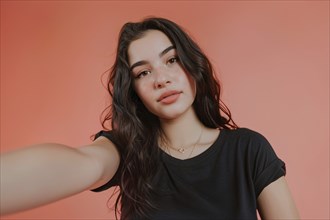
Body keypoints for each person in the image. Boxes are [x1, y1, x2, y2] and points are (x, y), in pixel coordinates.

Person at [0, 17, 299, 220]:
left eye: (171, 60)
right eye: (144, 72)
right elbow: (83, 164)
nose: (161, 79)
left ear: (193, 65)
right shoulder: (127, 151)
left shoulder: (248, 149)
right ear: (134, 91)